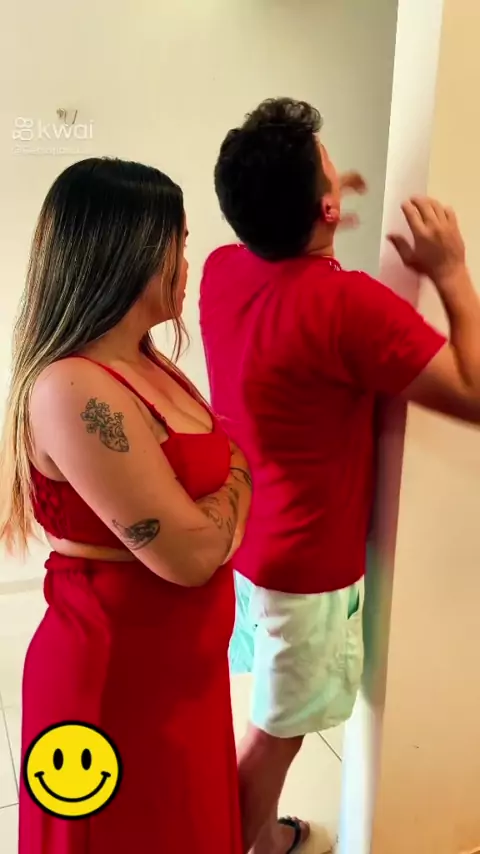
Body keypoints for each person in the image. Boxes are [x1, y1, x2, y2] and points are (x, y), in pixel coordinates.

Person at [199, 98, 480, 854]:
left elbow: (291, 284)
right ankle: (246, 843)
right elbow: (475, 391)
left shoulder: (223, 270)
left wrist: (314, 211)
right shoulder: (349, 307)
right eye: (329, 169)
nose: (338, 172)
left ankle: (260, 835)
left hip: (246, 543)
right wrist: (451, 270)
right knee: (276, 736)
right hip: (308, 571)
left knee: (269, 713)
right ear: (325, 207)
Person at [0, 157, 252, 854]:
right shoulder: (73, 388)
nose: (187, 261)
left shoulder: (145, 362)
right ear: (132, 249)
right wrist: (235, 493)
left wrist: (220, 504)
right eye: (180, 242)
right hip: (114, 691)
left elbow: (226, 476)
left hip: (182, 683)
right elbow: (191, 555)